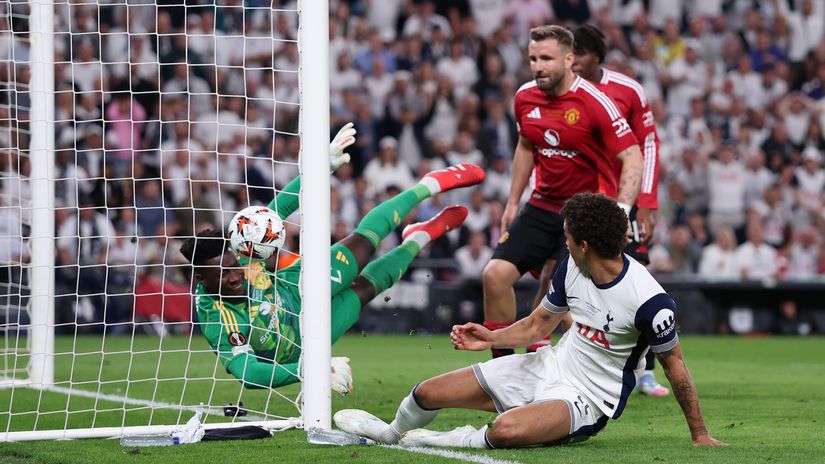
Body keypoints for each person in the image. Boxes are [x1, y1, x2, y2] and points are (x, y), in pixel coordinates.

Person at [334, 193, 727, 449]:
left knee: (505, 431)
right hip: (548, 365)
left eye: (568, 236)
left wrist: (700, 434)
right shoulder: (573, 266)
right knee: (426, 393)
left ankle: (432, 440)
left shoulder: (650, 301)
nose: (564, 242)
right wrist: (490, 336)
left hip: (587, 400)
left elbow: (676, 368)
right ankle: (391, 435)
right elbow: (539, 325)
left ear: (585, 244)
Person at [179, 123, 486, 392]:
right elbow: (249, 373)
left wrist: (321, 167)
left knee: (363, 246)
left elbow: (274, 212)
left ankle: (428, 185)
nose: (234, 276)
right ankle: (418, 237)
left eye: (233, 267)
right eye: (222, 275)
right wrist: (309, 371)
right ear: (201, 279)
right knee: (365, 290)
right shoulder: (216, 316)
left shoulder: (242, 250)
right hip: (304, 340)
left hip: (294, 285)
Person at [481, 25, 643, 358]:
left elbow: (633, 157)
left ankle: (585, 386)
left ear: (569, 59)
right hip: (541, 205)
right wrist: (513, 201)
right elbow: (526, 146)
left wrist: (622, 213)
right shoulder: (524, 98)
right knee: (494, 276)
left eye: (546, 59)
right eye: (533, 58)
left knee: (571, 307)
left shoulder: (596, 102)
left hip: (586, 212)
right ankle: (503, 371)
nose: (538, 66)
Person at [571, 24, 668, 396]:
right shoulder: (562, 92)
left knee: (637, 280)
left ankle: (644, 369)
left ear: (597, 55)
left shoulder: (628, 89)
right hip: (580, 201)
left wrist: (646, 204)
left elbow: (649, 146)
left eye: (578, 52)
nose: (573, 60)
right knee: (567, 279)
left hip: (622, 202)